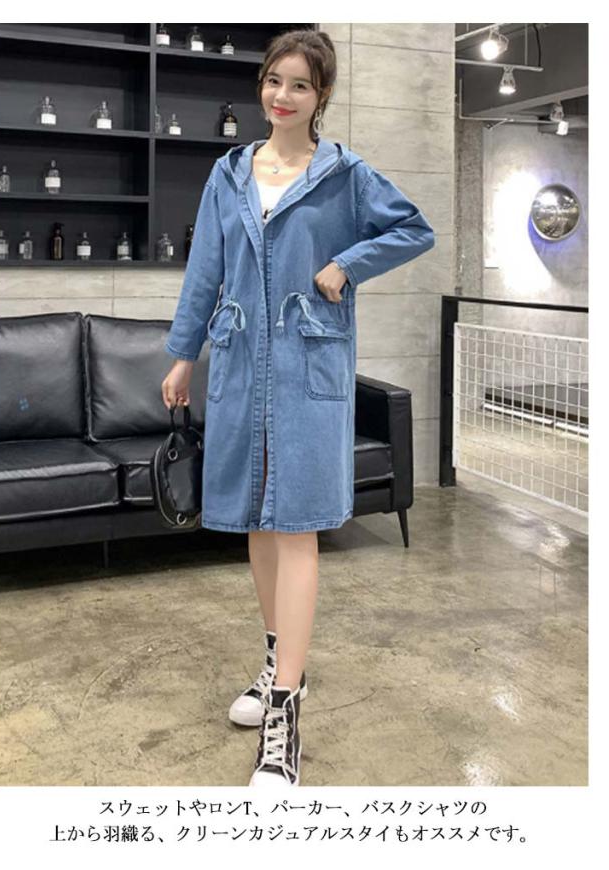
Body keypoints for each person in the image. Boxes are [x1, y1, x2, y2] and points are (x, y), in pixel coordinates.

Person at [161, 29, 435, 788]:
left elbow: (414, 228)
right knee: (257, 522)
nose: (282, 96)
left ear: (323, 96)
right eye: (273, 81)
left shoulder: (344, 175)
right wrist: (183, 354)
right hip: (240, 363)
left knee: (298, 526)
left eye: (300, 86)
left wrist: (346, 264)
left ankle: (283, 719)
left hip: (311, 366)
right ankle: (284, 663)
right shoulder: (229, 173)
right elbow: (206, 269)